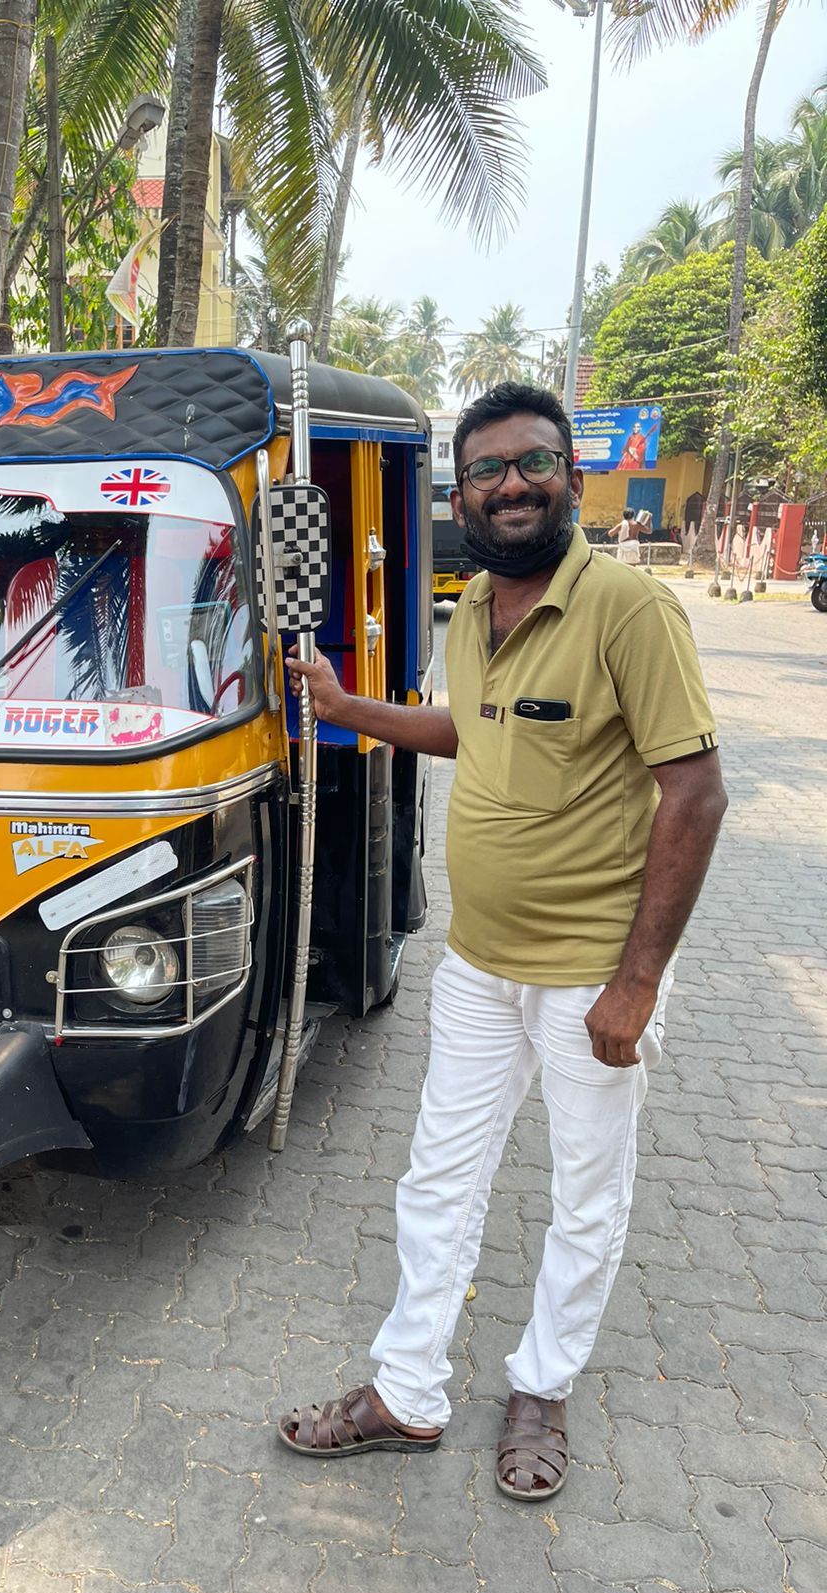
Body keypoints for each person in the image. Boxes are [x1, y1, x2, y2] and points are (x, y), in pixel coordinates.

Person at [276, 382, 726, 1501]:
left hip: (592, 978)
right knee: (439, 1177)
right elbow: (463, 729)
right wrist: (347, 707)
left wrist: (636, 982)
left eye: (533, 463)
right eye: (487, 470)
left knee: (585, 1192)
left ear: (571, 477)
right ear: (460, 493)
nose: (511, 484)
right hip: (478, 965)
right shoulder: (471, 602)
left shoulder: (628, 608)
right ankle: (408, 1391)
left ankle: (541, 1389)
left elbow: (697, 795)